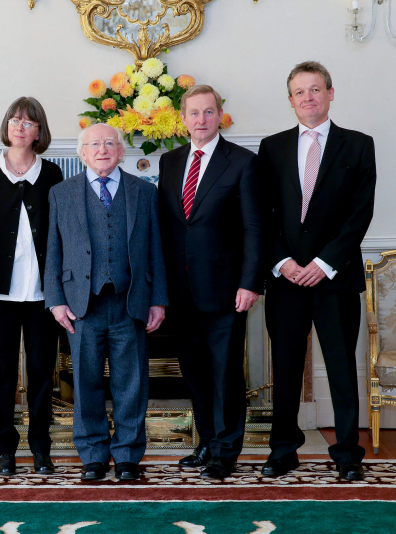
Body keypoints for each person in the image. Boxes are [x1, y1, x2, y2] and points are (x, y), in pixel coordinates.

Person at [259, 61, 376, 481]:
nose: (307, 97)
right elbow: (262, 215)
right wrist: (283, 262)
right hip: (286, 279)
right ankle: (282, 450)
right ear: (290, 100)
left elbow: (360, 215)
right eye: (299, 91)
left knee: (342, 368)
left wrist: (324, 264)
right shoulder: (271, 148)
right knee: (286, 368)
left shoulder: (359, 145)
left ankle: (347, 454)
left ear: (330, 93)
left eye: (315, 89)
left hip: (336, 278)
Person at [45, 123, 168, 481]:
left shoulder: (144, 192)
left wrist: (158, 299)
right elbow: (52, 250)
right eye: (94, 144)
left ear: (121, 151)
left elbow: (156, 249)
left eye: (109, 143)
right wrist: (54, 300)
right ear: (82, 152)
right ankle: (94, 455)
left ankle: (128, 454)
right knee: (85, 382)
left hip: (131, 302)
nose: (102, 149)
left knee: (131, 382)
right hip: (81, 305)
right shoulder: (61, 193)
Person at [158, 85, 264, 480]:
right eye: (193, 113)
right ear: (182, 119)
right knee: (195, 373)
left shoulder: (243, 162)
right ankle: (205, 442)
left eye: (208, 112)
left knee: (224, 374)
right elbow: (169, 228)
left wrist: (250, 282)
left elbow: (255, 228)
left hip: (225, 290)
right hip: (180, 292)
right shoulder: (169, 162)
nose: (200, 120)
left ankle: (225, 450)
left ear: (220, 115)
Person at [0, 97, 63, 476]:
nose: (20, 127)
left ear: (39, 132)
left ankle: (41, 448)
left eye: (29, 123)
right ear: (7, 127)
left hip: (44, 296)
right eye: (14, 120)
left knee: (43, 372)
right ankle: (5, 450)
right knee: (4, 372)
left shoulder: (53, 175)